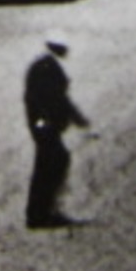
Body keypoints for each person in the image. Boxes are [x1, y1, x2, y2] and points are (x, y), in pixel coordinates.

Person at [24, 29, 89, 229]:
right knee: (53, 162)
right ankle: (42, 212)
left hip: (42, 123)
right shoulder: (48, 68)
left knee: (52, 161)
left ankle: (42, 211)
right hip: (45, 124)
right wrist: (71, 118)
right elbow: (56, 99)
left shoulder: (44, 65)